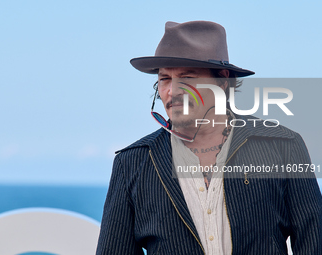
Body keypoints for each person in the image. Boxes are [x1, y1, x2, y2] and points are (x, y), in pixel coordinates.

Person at [96, 21, 322, 255]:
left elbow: (315, 243)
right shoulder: (131, 164)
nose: (172, 91)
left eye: (187, 77)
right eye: (164, 79)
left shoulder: (283, 146)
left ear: (223, 81)